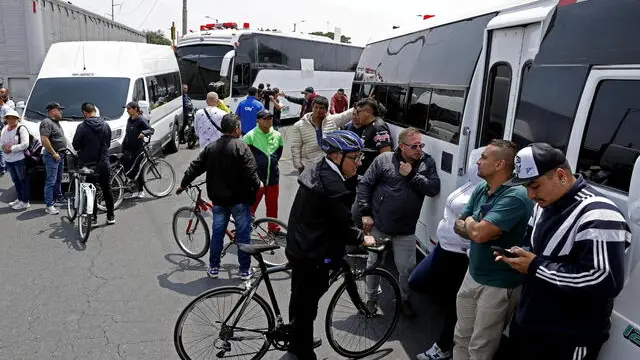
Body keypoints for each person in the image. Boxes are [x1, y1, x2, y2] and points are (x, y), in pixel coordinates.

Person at [497, 143, 630, 360]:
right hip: (529, 324)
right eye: (526, 187)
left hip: (568, 338)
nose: (530, 195)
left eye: (535, 185)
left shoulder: (599, 214)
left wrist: (534, 266)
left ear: (560, 175)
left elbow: (605, 280)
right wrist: (520, 255)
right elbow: (535, 247)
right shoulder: (543, 204)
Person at [285, 130, 376, 360]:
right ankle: (303, 352)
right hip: (313, 253)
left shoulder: (321, 167)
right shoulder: (333, 185)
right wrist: (361, 238)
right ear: (337, 156)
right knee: (306, 307)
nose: (359, 162)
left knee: (300, 300)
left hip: (301, 244)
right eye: (355, 157)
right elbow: (343, 224)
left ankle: (297, 340)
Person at [451, 140, 532, 360]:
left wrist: (475, 227)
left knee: (480, 349)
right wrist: (475, 226)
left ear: (500, 165)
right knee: (461, 337)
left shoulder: (516, 196)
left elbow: (478, 233)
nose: (478, 161)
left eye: (484, 157)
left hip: (497, 286)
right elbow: (459, 225)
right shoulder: (481, 188)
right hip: (472, 275)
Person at [357, 127, 441, 318]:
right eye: (414, 146)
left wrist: (412, 175)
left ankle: (404, 300)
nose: (419, 149)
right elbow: (365, 185)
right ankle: (371, 299)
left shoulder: (426, 163)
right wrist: (365, 213)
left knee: (406, 269)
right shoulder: (384, 160)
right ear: (402, 146)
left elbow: (433, 188)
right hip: (380, 225)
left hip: (406, 230)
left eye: (421, 145)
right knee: (373, 264)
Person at [410, 148, 484, 360]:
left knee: (456, 303)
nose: (475, 163)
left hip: (460, 256)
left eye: (480, 160)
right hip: (444, 249)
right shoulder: (473, 185)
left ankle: (443, 346)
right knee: (418, 282)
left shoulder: (488, 191)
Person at [177, 114, 261, 280]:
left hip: (219, 200)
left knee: (218, 233)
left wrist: (184, 183)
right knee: (243, 235)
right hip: (239, 200)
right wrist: (251, 196)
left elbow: (195, 167)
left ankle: (214, 267)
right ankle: (244, 270)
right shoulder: (242, 147)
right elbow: (252, 177)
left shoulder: (211, 148)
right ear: (236, 128)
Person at [72, 102, 115, 224]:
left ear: (85, 113)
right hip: (104, 162)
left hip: (88, 164)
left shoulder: (82, 127)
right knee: (107, 189)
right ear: (95, 111)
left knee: (91, 190)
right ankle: (111, 216)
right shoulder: (106, 125)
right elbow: (108, 143)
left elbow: (76, 145)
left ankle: (93, 218)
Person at [243, 110, 284, 234]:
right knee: (251, 206)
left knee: (272, 205)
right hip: (256, 179)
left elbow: (278, 154)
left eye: (270, 118)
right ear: (258, 120)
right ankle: (244, 228)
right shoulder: (249, 136)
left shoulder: (278, 135)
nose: (268, 120)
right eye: (265, 118)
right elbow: (244, 159)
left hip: (273, 177)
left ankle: (273, 229)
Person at [290, 96, 354, 174]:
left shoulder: (332, 120)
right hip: (309, 167)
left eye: (321, 108)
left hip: (330, 166)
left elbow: (346, 115)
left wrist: (360, 105)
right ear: (312, 107)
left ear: (326, 110)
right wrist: (299, 166)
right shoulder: (299, 125)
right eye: (316, 107)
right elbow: (295, 147)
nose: (318, 110)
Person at [343, 97, 393, 176]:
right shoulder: (367, 126)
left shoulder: (378, 127)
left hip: (371, 175)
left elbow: (386, 156)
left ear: (367, 112)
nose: (357, 115)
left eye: (359, 112)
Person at [121, 101, 155, 199]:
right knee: (128, 169)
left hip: (138, 149)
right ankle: (131, 190)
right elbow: (128, 134)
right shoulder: (129, 119)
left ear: (135, 109)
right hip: (128, 149)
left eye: (129, 109)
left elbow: (151, 130)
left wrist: (143, 133)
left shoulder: (140, 120)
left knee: (138, 170)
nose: (127, 110)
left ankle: (141, 190)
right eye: (127, 109)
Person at [40, 102, 67, 215]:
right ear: (52, 111)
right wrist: (53, 153)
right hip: (52, 156)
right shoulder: (47, 122)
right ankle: (49, 205)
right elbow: (44, 139)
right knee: (51, 181)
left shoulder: (56, 122)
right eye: (59, 109)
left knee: (58, 179)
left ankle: (58, 198)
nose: (61, 112)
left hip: (59, 155)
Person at [1, 109, 30, 210]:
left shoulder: (21, 129)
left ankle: (25, 201)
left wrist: (12, 148)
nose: (11, 120)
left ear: (17, 119)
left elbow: (26, 144)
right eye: (9, 118)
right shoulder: (4, 129)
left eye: (13, 118)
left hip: (19, 159)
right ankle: (20, 198)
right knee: (16, 181)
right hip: (9, 160)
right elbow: (1, 142)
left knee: (23, 181)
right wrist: (3, 147)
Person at [0, 96, 11, 175]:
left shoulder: (5, 108)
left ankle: (4, 167)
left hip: (5, 130)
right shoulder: (1, 108)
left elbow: (8, 120)